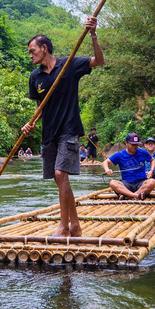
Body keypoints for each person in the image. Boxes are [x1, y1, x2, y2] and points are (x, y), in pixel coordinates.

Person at [21, 17, 104, 237]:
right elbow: (40, 109)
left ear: (44, 48)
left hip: (69, 129)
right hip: (50, 134)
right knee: (60, 180)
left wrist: (93, 35)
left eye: (32, 51)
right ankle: (75, 225)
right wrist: (30, 125)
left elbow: (99, 60)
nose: (30, 55)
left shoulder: (68, 65)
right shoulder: (35, 77)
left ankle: (63, 227)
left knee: (60, 174)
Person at [102, 133, 155, 200]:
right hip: (126, 184)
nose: (134, 146)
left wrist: (151, 171)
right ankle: (136, 195)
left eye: (136, 144)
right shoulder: (119, 155)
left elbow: (152, 160)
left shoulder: (143, 152)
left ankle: (128, 195)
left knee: (152, 182)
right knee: (113, 183)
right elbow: (105, 162)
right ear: (126, 143)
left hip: (141, 182)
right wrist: (107, 169)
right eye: (132, 144)